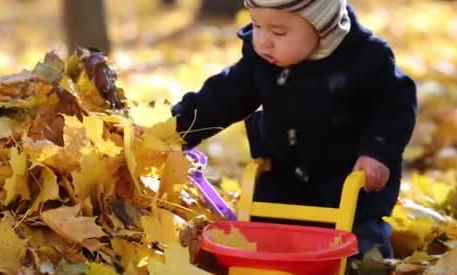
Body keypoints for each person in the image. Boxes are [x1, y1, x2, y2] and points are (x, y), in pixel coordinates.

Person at [171, 0, 417, 258]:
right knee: (264, 236)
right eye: (256, 25)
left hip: (346, 179)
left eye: (278, 32)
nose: (264, 41)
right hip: (284, 175)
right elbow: (222, 98)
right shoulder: (262, 61)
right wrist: (177, 129)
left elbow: (394, 107)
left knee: (363, 247)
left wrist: (377, 151)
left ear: (321, 26)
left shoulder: (367, 59)